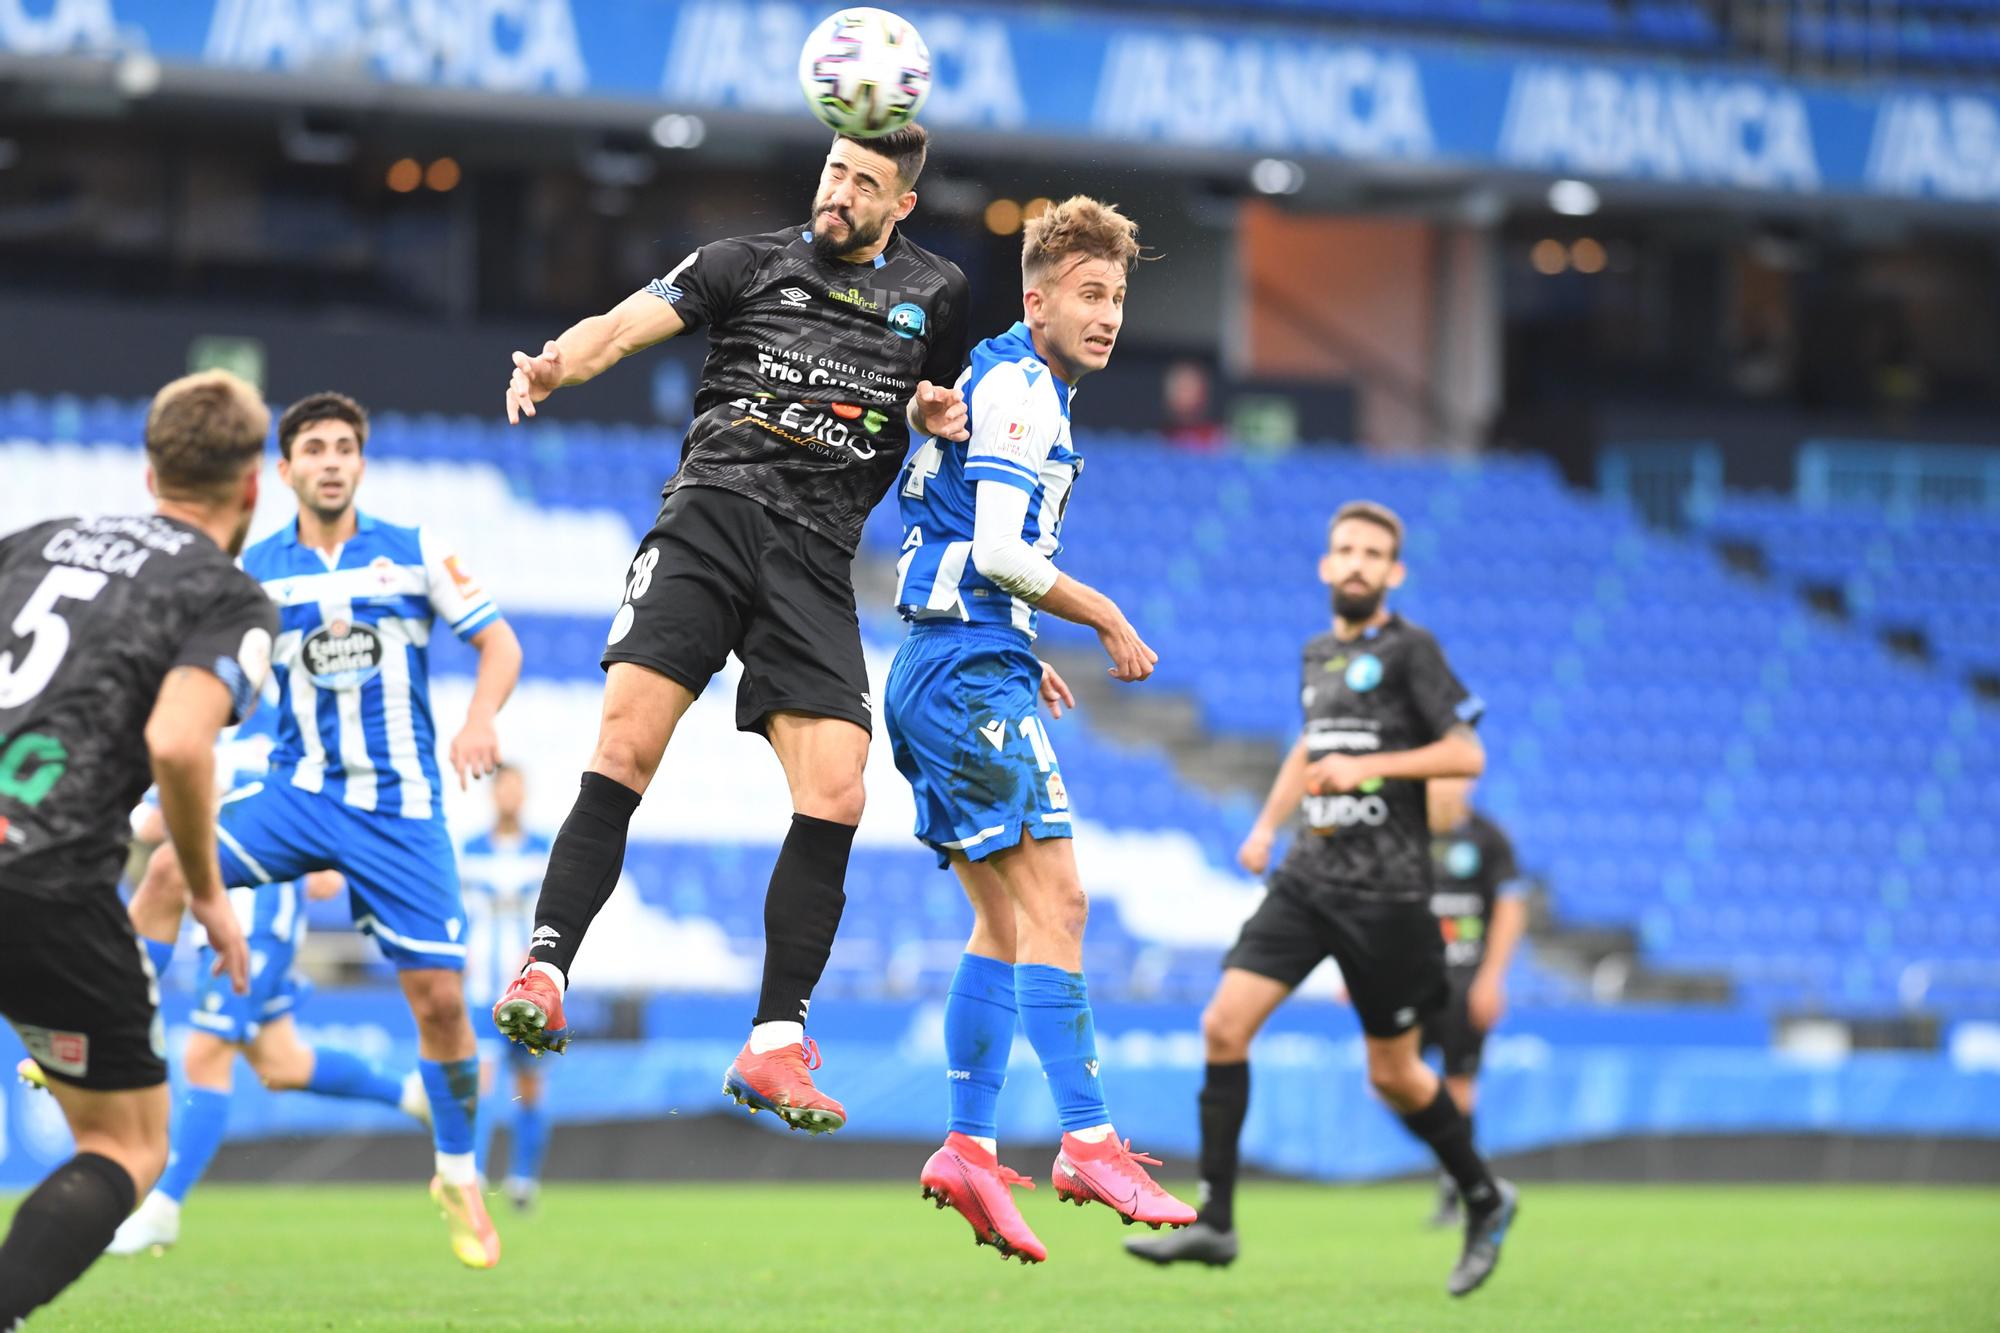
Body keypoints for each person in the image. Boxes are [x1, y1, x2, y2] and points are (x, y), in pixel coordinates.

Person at [492, 125, 971, 1136]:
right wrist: (554, 364)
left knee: (839, 784)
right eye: (834, 171)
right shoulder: (743, 263)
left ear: (902, 205)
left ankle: (772, 1042)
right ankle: (543, 966)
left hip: (816, 554)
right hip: (708, 517)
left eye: (863, 182)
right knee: (625, 744)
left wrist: (937, 409)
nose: (838, 191)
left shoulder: (939, 293)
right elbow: (622, 325)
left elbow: (954, 402)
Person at [124, 390, 523, 1270]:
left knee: (443, 1004)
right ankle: (110, 1019)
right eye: (314, 448)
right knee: (162, 875)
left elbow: (500, 645)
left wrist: (478, 720)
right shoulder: (255, 568)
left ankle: (456, 1172)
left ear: (362, 464)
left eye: (345, 446)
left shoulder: (415, 550)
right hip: (298, 794)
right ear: (286, 469)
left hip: (401, 809)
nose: (331, 459)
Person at [883, 195, 1190, 1264]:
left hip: (953, 661)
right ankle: (1087, 1141)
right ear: (1037, 297)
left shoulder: (1014, 380)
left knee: (1007, 924)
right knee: (1061, 901)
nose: (1106, 315)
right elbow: (1004, 549)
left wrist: (1021, 650)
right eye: (1088, 294)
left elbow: (963, 541)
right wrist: (1099, 615)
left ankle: (968, 1145)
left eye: (1116, 296)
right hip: (963, 666)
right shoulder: (1017, 386)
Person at [1125, 501, 1520, 1298]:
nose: (1357, 563)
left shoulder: (1413, 650)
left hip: (1389, 894)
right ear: (1325, 564)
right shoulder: (1316, 656)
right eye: (1345, 549)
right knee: (1223, 1023)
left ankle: (1483, 1195)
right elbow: (1313, 745)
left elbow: (1464, 749)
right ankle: (1218, 1220)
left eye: (1374, 553)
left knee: (1395, 1074)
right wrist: (1268, 825)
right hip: (1308, 879)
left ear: (1393, 572)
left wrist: (1374, 770)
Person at [0, 369, 269, 1325]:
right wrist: (203, 887)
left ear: (150, 467)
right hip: (43, 874)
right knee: (124, 1144)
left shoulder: (30, 544)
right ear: (251, 488)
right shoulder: (223, 595)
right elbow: (177, 742)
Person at [102, 708, 433, 1256]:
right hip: (221, 919)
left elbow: (162, 823)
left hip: (257, 924)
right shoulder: (209, 722)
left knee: (205, 1055)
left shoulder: (288, 727)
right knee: (283, 1064)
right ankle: (409, 1094)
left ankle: (164, 1208)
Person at [1420, 777, 1526, 1228]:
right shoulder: (1405, 833)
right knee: (1387, 1079)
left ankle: (1457, 1190)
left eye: (1452, 776)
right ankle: (1460, 1171)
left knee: (1460, 1086)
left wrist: (1492, 978)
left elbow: (1509, 907)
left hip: (1465, 982)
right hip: (1410, 979)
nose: (1444, 787)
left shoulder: (1487, 837)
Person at [460, 763, 554, 1209]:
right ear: (493, 795)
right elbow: (459, 916)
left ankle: (523, 1181)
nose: (510, 798)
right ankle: (473, 1176)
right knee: (482, 1077)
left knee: (530, 1083)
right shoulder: (470, 849)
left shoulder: (543, 850)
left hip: (530, 989)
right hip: (483, 987)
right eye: (504, 790)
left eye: (518, 789)